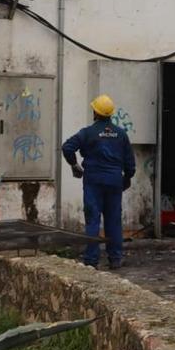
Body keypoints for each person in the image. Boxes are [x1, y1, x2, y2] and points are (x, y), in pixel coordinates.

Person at [62, 95, 135, 269]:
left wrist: (74, 164)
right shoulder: (121, 134)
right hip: (114, 181)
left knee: (93, 220)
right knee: (113, 220)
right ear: (111, 113)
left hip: (93, 181)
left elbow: (67, 147)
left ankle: (91, 260)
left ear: (95, 112)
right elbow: (130, 163)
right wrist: (127, 178)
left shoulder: (87, 133)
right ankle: (115, 258)